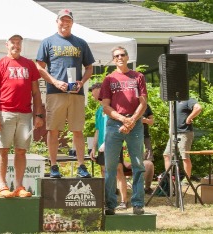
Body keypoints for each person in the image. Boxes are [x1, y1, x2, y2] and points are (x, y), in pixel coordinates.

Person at [36, 9, 95, 178]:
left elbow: (89, 67)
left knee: (77, 130)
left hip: (76, 93)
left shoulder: (81, 43)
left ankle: (81, 166)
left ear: (72, 23)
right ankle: (53, 166)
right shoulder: (47, 42)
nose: (65, 23)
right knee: (53, 130)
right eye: (62, 20)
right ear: (57, 22)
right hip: (55, 93)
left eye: (68, 20)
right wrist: (55, 82)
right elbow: (40, 67)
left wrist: (81, 82)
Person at [0, 34, 44, 198]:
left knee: (21, 151)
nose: (16, 45)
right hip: (5, 112)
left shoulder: (29, 64)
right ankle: (2, 186)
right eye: (13, 42)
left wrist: (38, 115)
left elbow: (36, 92)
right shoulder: (0, 64)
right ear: (7, 44)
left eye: (18, 43)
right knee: (3, 149)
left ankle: (19, 186)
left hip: (25, 115)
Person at [99, 46, 147, 215]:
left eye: (122, 55)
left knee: (138, 165)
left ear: (127, 57)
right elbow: (105, 106)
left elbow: (143, 102)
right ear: (113, 60)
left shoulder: (138, 77)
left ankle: (138, 204)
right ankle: (110, 205)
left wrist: (132, 120)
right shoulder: (109, 79)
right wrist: (122, 119)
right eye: (116, 56)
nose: (120, 57)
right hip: (114, 124)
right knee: (110, 166)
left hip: (135, 125)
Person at [89, 82, 128, 210]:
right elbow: (98, 130)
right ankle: (107, 199)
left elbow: (116, 128)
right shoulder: (98, 111)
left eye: (97, 95)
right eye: (94, 96)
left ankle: (123, 201)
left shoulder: (113, 108)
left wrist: (107, 142)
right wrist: (93, 148)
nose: (96, 98)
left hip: (113, 144)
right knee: (104, 172)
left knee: (118, 170)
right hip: (100, 147)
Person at [163, 98, 202, 178]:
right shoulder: (173, 102)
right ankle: (169, 179)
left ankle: (187, 180)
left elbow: (198, 108)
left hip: (185, 132)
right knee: (167, 155)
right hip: (174, 134)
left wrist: (189, 117)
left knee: (185, 157)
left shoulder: (188, 100)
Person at [142, 104, 155, 194]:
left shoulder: (146, 106)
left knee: (149, 163)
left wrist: (145, 120)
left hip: (144, 137)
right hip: (128, 138)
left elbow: (151, 122)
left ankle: (147, 187)